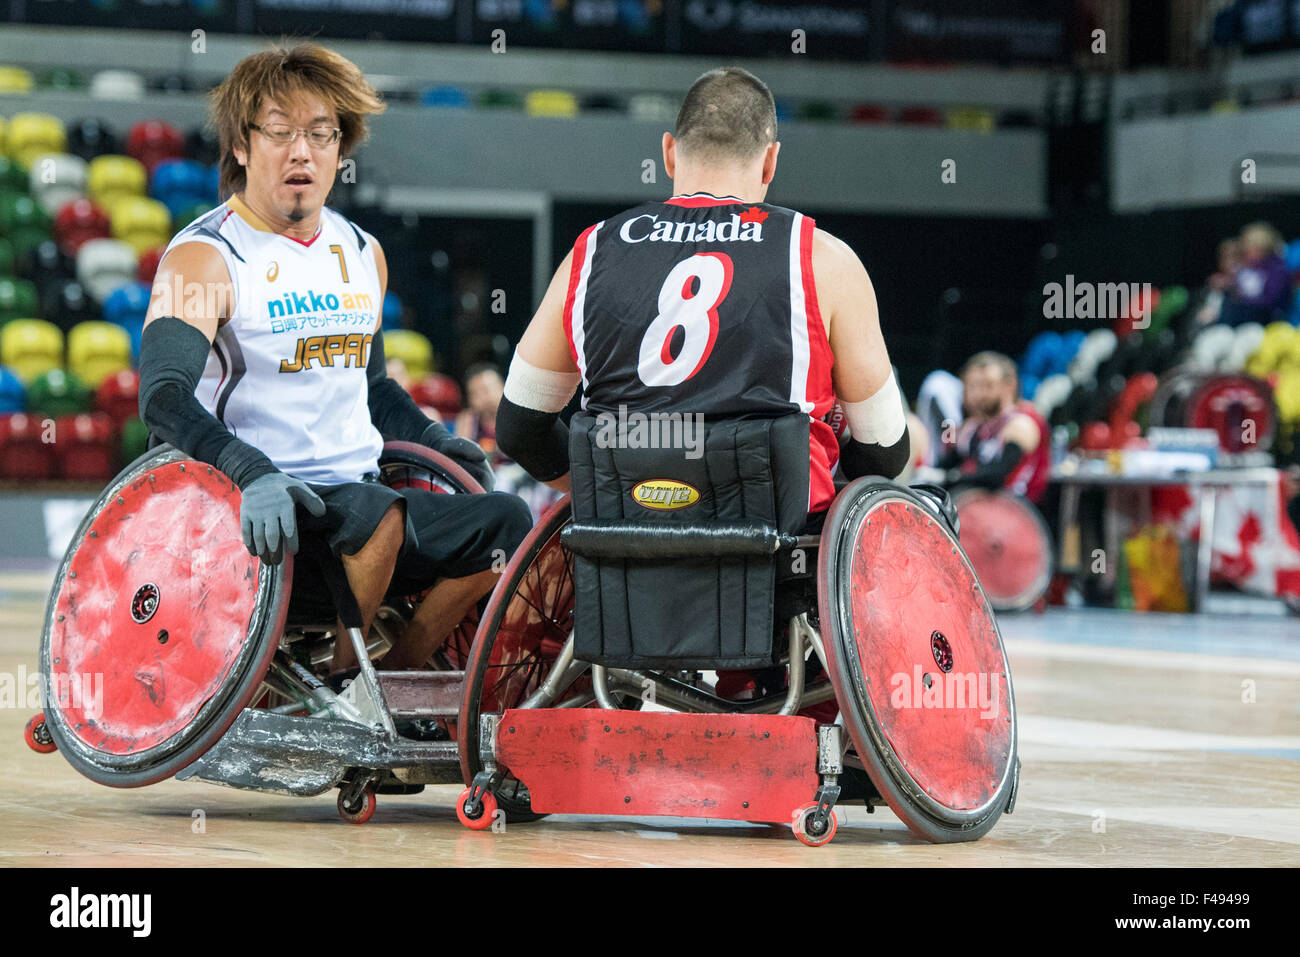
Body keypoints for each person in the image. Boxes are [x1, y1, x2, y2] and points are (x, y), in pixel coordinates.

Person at [137, 43, 531, 695]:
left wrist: (436, 441)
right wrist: (252, 472)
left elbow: (372, 386)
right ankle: (352, 684)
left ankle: (393, 680)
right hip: (251, 520)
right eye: (282, 132)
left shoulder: (359, 251)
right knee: (377, 514)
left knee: (507, 521)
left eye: (321, 134)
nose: (303, 152)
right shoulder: (206, 257)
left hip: (358, 504)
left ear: (341, 149)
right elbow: (164, 397)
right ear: (240, 145)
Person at [494, 66, 911, 526]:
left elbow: (519, 428)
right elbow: (885, 448)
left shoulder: (591, 251)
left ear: (669, 153)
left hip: (625, 542)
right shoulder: (823, 257)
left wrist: (607, 488)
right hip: (779, 550)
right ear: (770, 161)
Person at [931, 351, 1049, 504]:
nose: (978, 394)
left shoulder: (1023, 422)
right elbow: (944, 466)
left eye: (987, 385)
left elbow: (998, 476)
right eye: (972, 386)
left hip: (1018, 512)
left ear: (1009, 385)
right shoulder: (973, 426)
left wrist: (952, 477)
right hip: (980, 508)